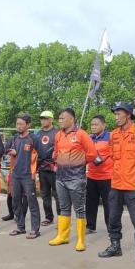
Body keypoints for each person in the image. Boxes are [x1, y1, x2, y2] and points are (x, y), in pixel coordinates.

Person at [97, 102, 135, 268]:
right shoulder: (114, 135)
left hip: (133, 185)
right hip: (116, 183)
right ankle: (115, 246)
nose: (116, 117)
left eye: (119, 114)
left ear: (129, 114)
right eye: (115, 114)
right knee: (113, 218)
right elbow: (111, 153)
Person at [48, 108, 97, 252]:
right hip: (60, 177)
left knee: (79, 209)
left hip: (76, 178)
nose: (60, 121)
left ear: (71, 119)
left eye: (63, 118)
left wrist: (79, 162)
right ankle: (63, 236)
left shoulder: (81, 134)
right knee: (63, 207)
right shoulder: (58, 135)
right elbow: (56, 152)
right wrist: (57, 158)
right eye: (60, 118)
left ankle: (81, 240)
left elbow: (92, 154)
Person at [7, 113, 42, 239]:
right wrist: (11, 151)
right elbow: (4, 148)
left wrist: (35, 172)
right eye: (17, 124)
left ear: (28, 125)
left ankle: (35, 229)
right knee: (16, 201)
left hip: (28, 176)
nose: (19, 126)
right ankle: (20, 227)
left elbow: (41, 155)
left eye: (21, 124)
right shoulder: (14, 138)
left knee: (32, 202)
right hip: (15, 175)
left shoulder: (33, 139)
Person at [86, 115, 113, 234]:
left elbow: (116, 153)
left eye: (96, 124)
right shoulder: (89, 138)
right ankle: (90, 226)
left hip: (107, 176)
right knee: (90, 203)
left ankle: (111, 229)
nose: (93, 127)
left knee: (109, 204)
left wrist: (104, 157)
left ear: (104, 125)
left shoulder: (110, 137)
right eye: (92, 124)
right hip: (92, 175)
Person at [36, 110, 60, 226]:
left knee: (58, 195)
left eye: (45, 118)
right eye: (41, 118)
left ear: (51, 120)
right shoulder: (38, 134)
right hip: (42, 168)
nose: (43, 120)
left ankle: (62, 219)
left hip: (54, 168)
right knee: (45, 195)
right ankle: (48, 217)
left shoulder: (57, 133)